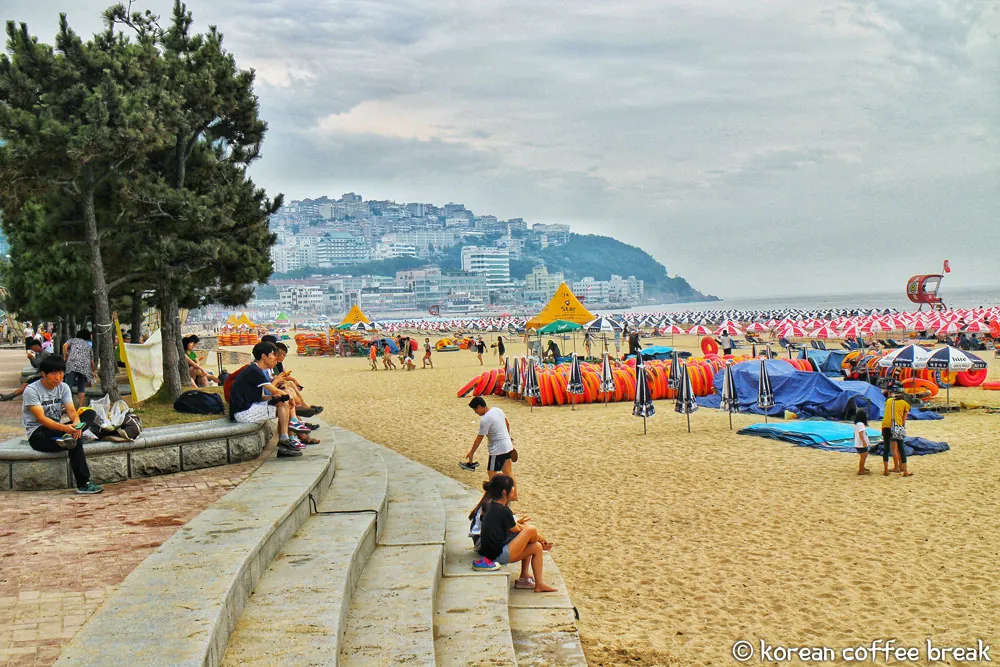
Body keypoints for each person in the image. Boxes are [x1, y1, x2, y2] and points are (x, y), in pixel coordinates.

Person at [23, 356, 103, 494]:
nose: (58, 377)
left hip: (59, 431)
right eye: (54, 373)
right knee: (74, 440)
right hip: (39, 434)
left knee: (89, 413)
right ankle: (84, 484)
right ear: (43, 374)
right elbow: (41, 419)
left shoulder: (63, 387)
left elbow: (71, 411)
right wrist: (66, 428)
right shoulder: (32, 390)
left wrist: (77, 424)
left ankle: (70, 436)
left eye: (61, 373)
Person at [475, 475, 556, 592]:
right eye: (512, 488)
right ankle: (542, 546)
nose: (514, 490)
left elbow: (516, 527)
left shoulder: (493, 505)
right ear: (504, 492)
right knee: (531, 530)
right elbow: (519, 530)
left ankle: (537, 583)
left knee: (536, 547)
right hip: (497, 555)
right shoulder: (503, 510)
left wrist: (536, 538)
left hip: (490, 552)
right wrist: (538, 537)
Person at [228, 341, 303, 458]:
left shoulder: (255, 369)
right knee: (283, 404)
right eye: (272, 354)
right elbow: (275, 390)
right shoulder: (255, 371)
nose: (275, 358)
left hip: (247, 408)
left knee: (281, 401)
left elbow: (260, 396)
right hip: (243, 413)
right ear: (264, 356)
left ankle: (286, 439)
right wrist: (289, 398)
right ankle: (284, 442)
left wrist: (274, 398)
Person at [462, 396, 514, 477]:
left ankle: (494, 490)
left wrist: (472, 452)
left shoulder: (485, 419)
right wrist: (508, 437)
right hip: (508, 446)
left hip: (497, 450)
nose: (475, 412)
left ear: (479, 407)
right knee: (509, 473)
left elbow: (479, 438)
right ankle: (514, 490)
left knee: (491, 473)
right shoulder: (497, 410)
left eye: (475, 410)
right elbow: (507, 424)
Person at [881, 389, 912, 477]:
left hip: (885, 426)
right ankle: (904, 470)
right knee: (901, 448)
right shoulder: (905, 404)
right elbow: (903, 420)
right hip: (896, 426)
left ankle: (886, 470)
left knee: (887, 448)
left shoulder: (889, 401)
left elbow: (887, 405)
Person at [62, 329, 96, 408]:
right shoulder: (88, 345)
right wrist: (93, 371)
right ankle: (80, 406)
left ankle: (67, 405)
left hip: (72, 364)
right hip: (84, 367)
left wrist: (65, 356)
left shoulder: (73, 340)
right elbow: (91, 362)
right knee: (81, 386)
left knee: (68, 385)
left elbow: (65, 345)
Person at [853, 408, 872, 475]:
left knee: (863, 455)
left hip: (858, 443)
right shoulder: (861, 424)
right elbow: (861, 434)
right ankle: (861, 470)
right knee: (863, 456)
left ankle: (862, 468)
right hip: (861, 444)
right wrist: (864, 441)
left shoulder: (857, 424)